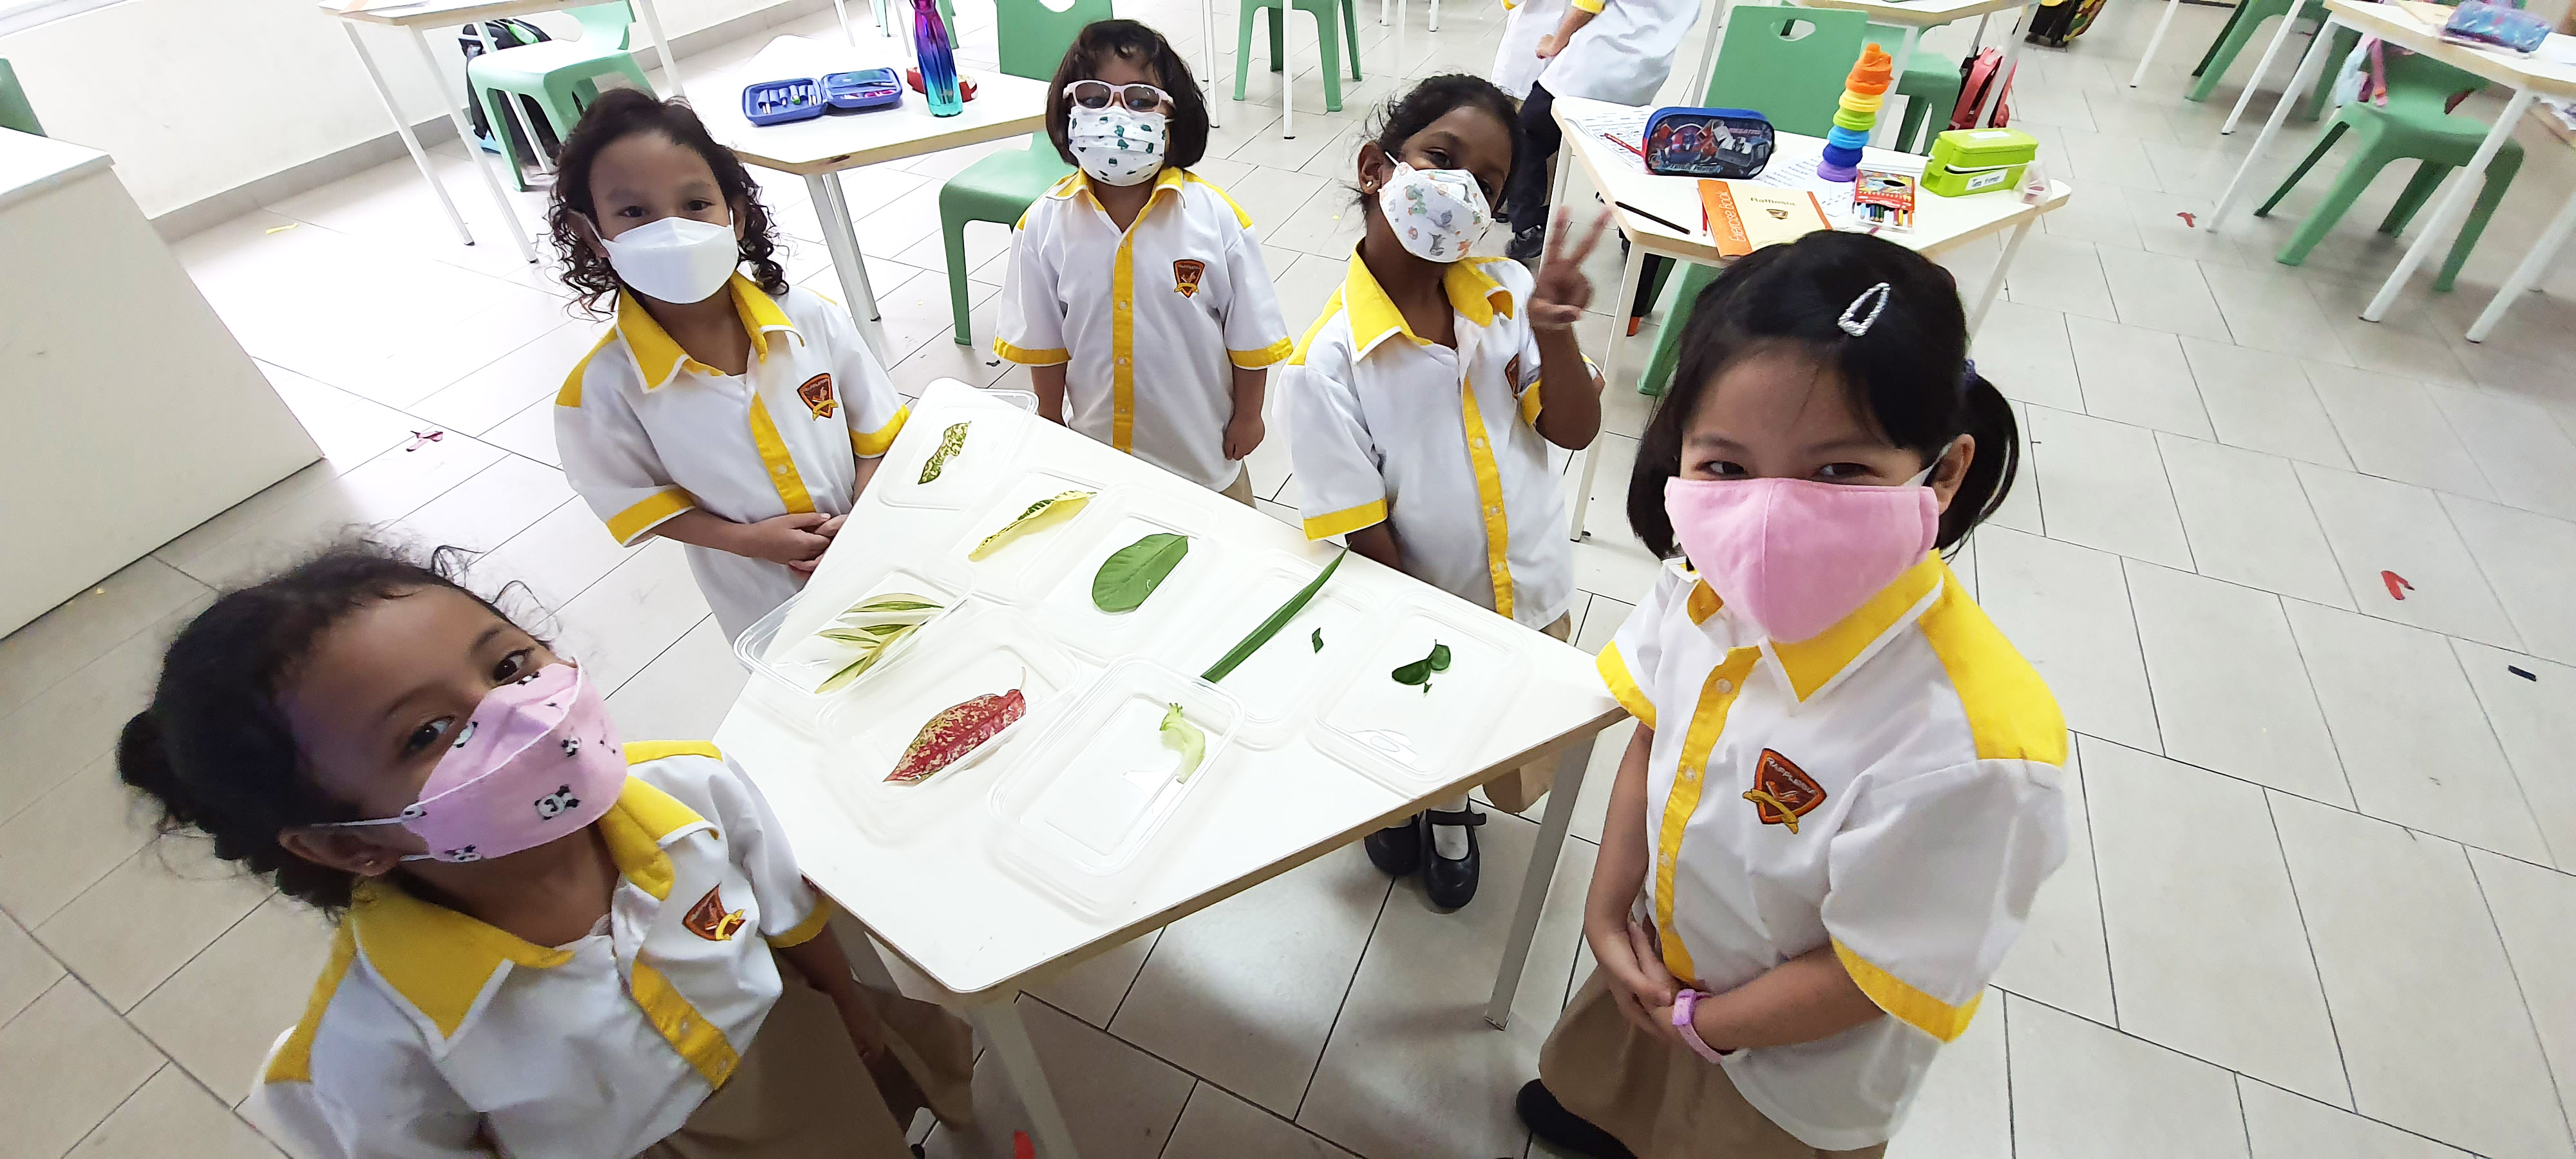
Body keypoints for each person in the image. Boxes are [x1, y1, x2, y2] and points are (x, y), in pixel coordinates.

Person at [117, 542, 976, 1158]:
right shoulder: (376, 1040)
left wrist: (858, 1020)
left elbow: (790, 921)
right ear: (346, 845)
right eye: (427, 732)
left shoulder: (691, 788)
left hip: (801, 1060)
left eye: (509, 665)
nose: (519, 714)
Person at [1514, 232, 2067, 1159]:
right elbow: (1654, 731)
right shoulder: (1701, 588)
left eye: (1839, 471)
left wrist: (1710, 1024)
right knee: (1621, 1090)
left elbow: (1876, 970)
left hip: (1794, 1065)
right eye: (1725, 467)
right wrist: (1608, 910)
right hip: (1665, 959)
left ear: (1945, 470)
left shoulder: (1974, 749)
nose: (1769, 520)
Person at [1286, 75, 1608, 910]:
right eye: (1441, 158)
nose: (1461, 191)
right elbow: (1365, 533)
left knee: (1490, 737)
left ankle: (1453, 809)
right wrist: (1420, 635)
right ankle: (1420, 801)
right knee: (1423, 727)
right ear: (1375, 168)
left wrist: (1551, 339)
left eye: (1489, 184)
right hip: (1424, 616)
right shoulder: (1328, 366)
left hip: (1530, 593)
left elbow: (1571, 429)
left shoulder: (1506, 296)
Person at [550, 89, 909, 643]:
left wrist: (861, 512)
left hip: (874, 550)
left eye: (695, 206)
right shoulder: (602, 390)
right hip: (761, 595)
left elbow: (877, 433)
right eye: (633, 213)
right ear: (591, 234)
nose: (671, 229)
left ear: (735, 216)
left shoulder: (810, 319)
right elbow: (634, 500)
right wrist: (747, 541)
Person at [994, 19, 1294, 504]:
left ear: (1173, 117)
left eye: (1140, 99)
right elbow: (1045, 342)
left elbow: (1250, 333)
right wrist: (1049, 421)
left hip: (1202, 458)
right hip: (1098, 458)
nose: (1116, 114)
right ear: (1068, 112)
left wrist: (1248, 415)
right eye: (1093, 97)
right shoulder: (1044, 226)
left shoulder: (1216, 220)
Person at [1499, 0, 1701, 261]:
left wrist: (1556, 42)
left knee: (1527, 138)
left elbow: (1588, 4)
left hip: (1591, 63)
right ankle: (1633, 232)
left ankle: (1528, 226)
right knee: (1621, 153)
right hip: (1645, 74)